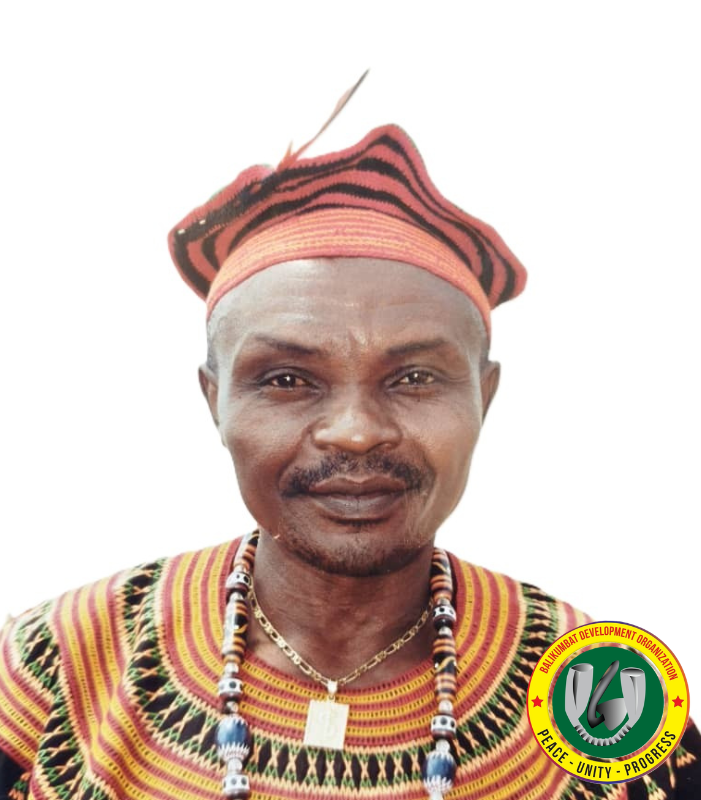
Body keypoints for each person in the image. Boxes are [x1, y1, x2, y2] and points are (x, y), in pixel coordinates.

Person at [0, 110, 698, 800]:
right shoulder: (56, 662)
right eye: (286, 380)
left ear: (483, 397)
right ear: (215, 400)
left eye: (414, 378)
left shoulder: (603, 690)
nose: (356, 432)